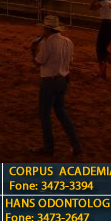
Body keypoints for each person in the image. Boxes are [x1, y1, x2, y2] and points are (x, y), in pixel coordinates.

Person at [30, 15, 82, 156]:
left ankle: (49, 147)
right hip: (62, 80)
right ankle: (75, 144)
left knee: (45, 114)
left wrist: (33, 51)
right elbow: (69, 62)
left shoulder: (48, 43)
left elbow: (38, 63)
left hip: (49, 81)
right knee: (61, 112)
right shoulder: (68, 42)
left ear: (48, 29)